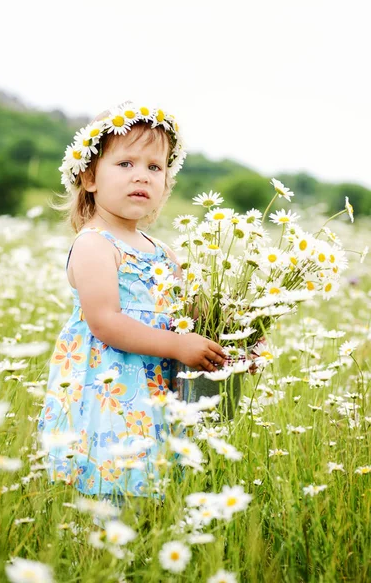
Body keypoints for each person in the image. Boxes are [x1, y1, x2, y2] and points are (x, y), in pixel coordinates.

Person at [38, 101, 226, 502]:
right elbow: (105, 321)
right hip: (111, 383)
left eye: (154, 168)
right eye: (125, 164)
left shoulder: (163, 251)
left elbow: (191, 313)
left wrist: (237, 336)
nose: (141, 175)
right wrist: (179, 346)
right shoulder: (94, 245)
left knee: (157, 480)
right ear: (89, 177)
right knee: (112, 476)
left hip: (159, 386)